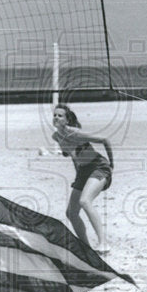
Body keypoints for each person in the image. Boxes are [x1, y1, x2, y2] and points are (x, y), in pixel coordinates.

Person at [52, 104, 113, 253]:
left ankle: (104, 243)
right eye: (55, 115)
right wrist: (78, 176)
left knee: (85, 201)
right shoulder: (56, 137)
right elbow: (74, 157)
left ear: (67, 120)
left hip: (99, 167)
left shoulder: (75, 133)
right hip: (83, 172)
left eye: (60, 116)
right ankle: (86, 247)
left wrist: (112, 164)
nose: (56, 118)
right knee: (71, 213)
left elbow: (105, 140)